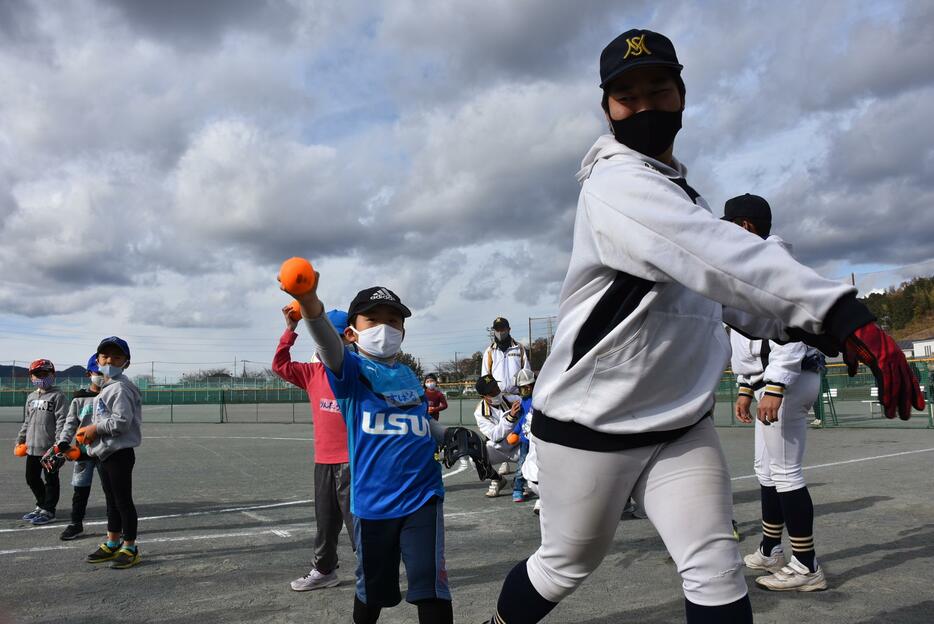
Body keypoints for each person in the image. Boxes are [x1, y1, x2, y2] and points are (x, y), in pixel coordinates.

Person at [486, 29, 924, 624]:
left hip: (677, 425)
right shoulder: (614, 184)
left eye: (658, 89)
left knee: (715, 567)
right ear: (606, 108)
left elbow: (721, 301)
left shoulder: (677, 191)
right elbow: (717, 253)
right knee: (566, 563)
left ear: (682, 96)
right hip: (592, 424)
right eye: (626, 95)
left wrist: (822, 331)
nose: (643, 105)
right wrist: (837, 309)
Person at [285, 277, 453, 624]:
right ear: (351, 333)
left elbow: (420, 421)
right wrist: (309, 302)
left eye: (393, 321)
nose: (384, 328)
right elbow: (327, 344)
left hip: (423, 495)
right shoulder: (348, 370)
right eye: (372, 320)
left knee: (430, 584)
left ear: (403, 332)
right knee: (372, 592)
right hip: (373, 502)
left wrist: (450, 435)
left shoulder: (408, 374)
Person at [724, 194, 827, 591]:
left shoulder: (774, 262)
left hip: (789, 376)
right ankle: (771, 549)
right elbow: (748, 340)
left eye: (730, 224)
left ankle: (807, 566)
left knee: (785, 472)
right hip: (771, 379)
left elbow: (792, 326)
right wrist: (747, 388)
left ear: (746, 226)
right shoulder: (753, 265)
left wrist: (775, 385)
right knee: (766, 470)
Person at [272, 306, 356, 591]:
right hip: (324, 460)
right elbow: (279, 366)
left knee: (359, 523)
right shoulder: (312, 372)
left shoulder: (358, 370)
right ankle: (324, 570)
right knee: (326, 522)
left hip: (354, 461)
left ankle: (373, 570)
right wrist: (290, 329)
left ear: (348, 337)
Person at [81, 337, 143, 569]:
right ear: (97, 360)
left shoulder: (119, 387)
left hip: (119, 453)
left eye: (117, 357)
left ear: (126, 362)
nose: (110, 361)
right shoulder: (106, 388)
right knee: (111, 500)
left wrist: (94, 429)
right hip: (106, 452)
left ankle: (130, 547)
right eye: (105, 356)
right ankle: (113, 541)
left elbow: (122, 422)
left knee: (122, 501)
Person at [56, 354, 105, 540]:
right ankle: (76, 523)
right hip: (82, 451)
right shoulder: (80, 398)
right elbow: (70, 423)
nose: (101, 376)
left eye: (104, 373)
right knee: (80, 489)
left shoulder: (111, 395)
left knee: (111, 489)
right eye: (97, 372)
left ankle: (117, 524)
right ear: (88, 373)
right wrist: (63, 443)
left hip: (105, 450)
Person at [16, 359, 67, 526]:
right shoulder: (31, 397)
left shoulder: (57, 396)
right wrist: (21, 439)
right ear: (32, 377)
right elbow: (27, 421)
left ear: (53, 375)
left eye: (46, 374)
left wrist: (59, 444)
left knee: (51, 480)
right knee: (31, 478)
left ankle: (49, 510)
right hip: (32, 447)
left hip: (49, 449)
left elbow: (62, 421)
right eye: (38, 374)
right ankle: (41, 504)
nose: (42, 377)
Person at [473, 375, 522, 498]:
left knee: (538, 453)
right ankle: (497, 479)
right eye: (491, 392)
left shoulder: (513, 398)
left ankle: (520, 481)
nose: (496, 392)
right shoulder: (480, 413)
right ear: (483, 396)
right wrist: (510, 418)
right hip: (498, 448)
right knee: (475, 458)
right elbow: (495, 436)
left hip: (518, 446)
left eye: (496, 388)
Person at [481, 317, 532, 400]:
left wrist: (526, 394)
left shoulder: (519, 348)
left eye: (502, 329)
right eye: (497, 329)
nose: (500, 332)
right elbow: (485, 375)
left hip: (518, 396)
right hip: (497, 397)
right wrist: (489, 393)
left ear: (509, 329)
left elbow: (526, 371)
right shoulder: (489, 351)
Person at [510, 370, 535, 503]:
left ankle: (542, 491)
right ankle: (518, 488)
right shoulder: (523, 401)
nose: (524, 390)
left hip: (538, 439)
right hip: (525, 439)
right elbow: (522, 420)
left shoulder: (540, 398)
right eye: (521, 388)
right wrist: (515, 432)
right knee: (522, 463)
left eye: (526, 387)